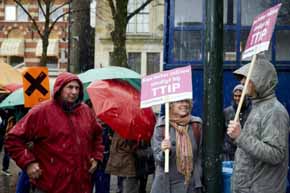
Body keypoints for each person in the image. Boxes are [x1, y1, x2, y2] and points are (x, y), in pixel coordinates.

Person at [5, 72, 104, 193]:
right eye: (70, 87)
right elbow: (13, 138)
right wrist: (28, 163)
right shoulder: (42, 111)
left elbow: (97, 135)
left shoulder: (86, 112)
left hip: (81, 186)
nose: (74, 92)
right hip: (50, 185)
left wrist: (96, 156)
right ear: (59, 88)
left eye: (77, 88)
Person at [227, 55, 289, 193]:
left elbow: (276, 154)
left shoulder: (274, 111)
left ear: (260, 80)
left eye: (247, 77)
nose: (242, 82)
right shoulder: (258, 107)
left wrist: (240, 136)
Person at [150, 99, 203, 193]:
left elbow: (201, 155)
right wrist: (164, 151)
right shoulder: (162, 126)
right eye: (179, 101)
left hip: (190, 185)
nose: (184, 104)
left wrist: (198, 177)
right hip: (167, 185)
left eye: (186, 102)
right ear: (171, 105)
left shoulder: (196, 124)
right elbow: (158, 159)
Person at [222, 84, 251, 160]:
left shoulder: (252, 112)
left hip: (246, 151)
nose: (237, 98)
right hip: (229, 154)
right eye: (235, 96)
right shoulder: (227, 112)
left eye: (240, 96)